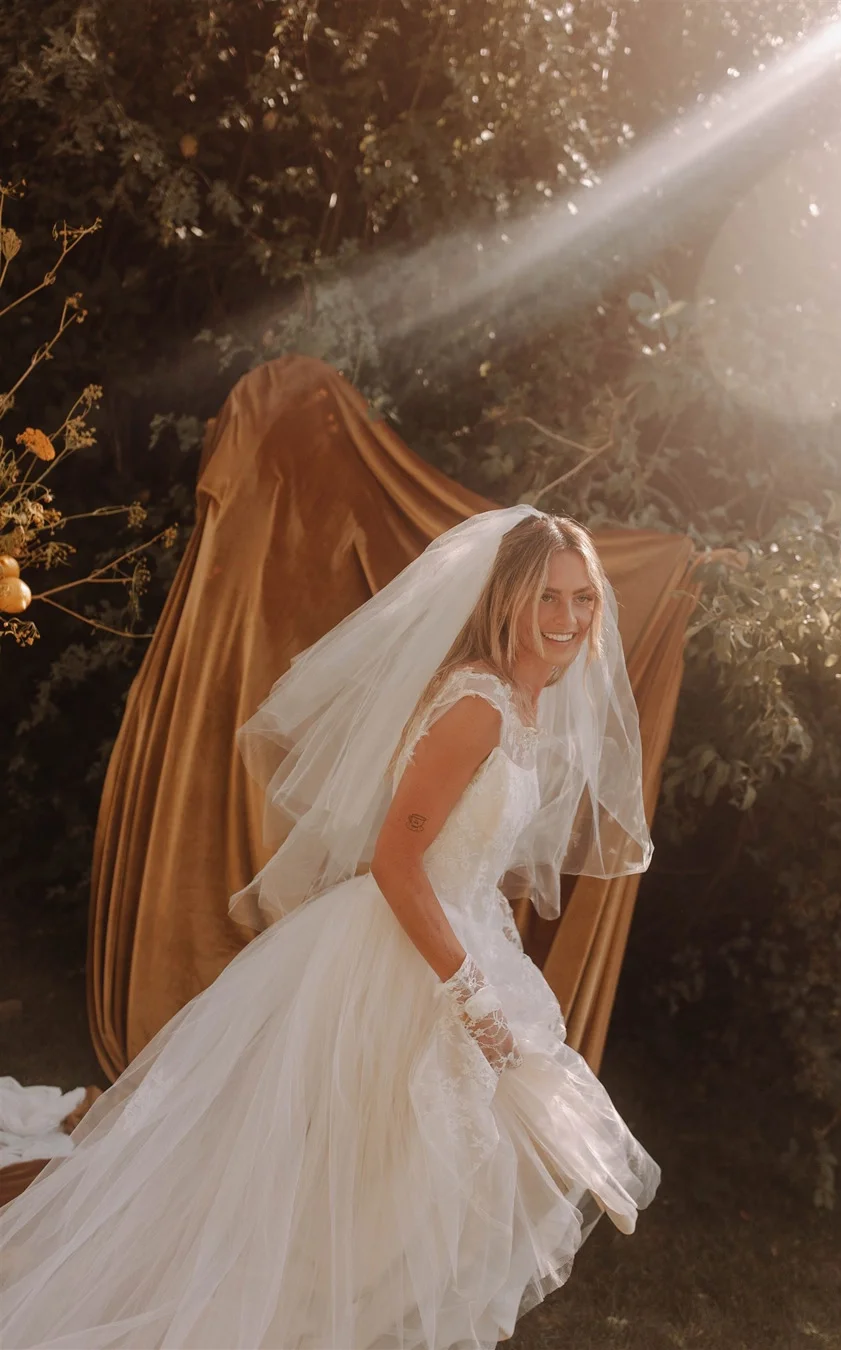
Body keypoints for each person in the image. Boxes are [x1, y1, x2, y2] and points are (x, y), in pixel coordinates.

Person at [0, 505, 661, 1350]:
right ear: (507, 602)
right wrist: (471, 996)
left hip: (451, 934)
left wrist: (488, 960)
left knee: (437, 1180)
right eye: (548, 599)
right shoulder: (481, 707)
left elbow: (466, 859)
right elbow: (396, 863)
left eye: (582, 600)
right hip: (397, 956)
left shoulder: (523, 707)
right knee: (373, 1182)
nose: (568, 620)